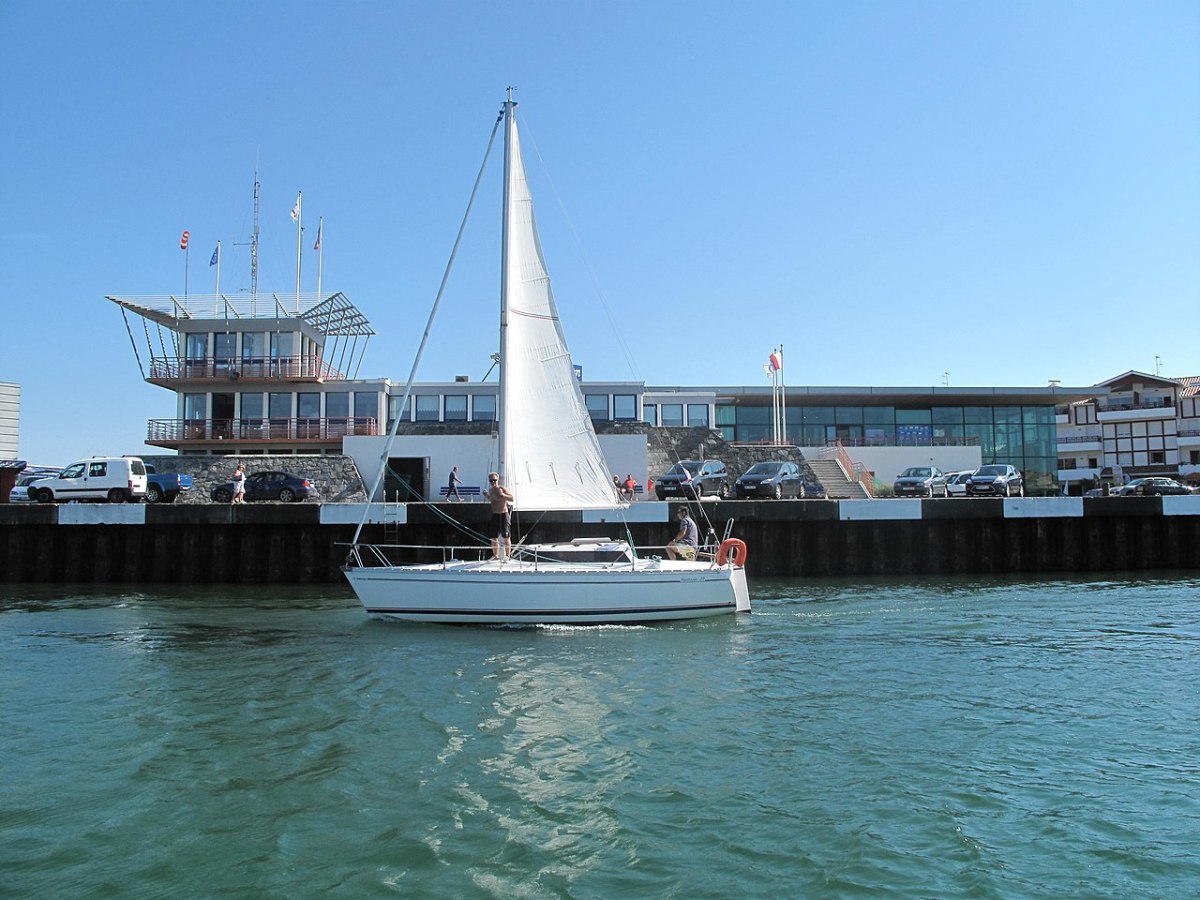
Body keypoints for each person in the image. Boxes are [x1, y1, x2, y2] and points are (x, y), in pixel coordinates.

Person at [486, 472, 514, 560]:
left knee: (506, 536)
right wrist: (486, 495)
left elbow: (512, 498)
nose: (493, 482)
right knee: (493, 537)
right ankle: (496, 556)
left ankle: (507, 556)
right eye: (491, 480)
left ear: (497, 480)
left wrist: (504, 495)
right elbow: (492, 500)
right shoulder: (490, 491)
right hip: (495, 514)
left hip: (503, 514)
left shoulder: (502, 488)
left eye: (495, 480)